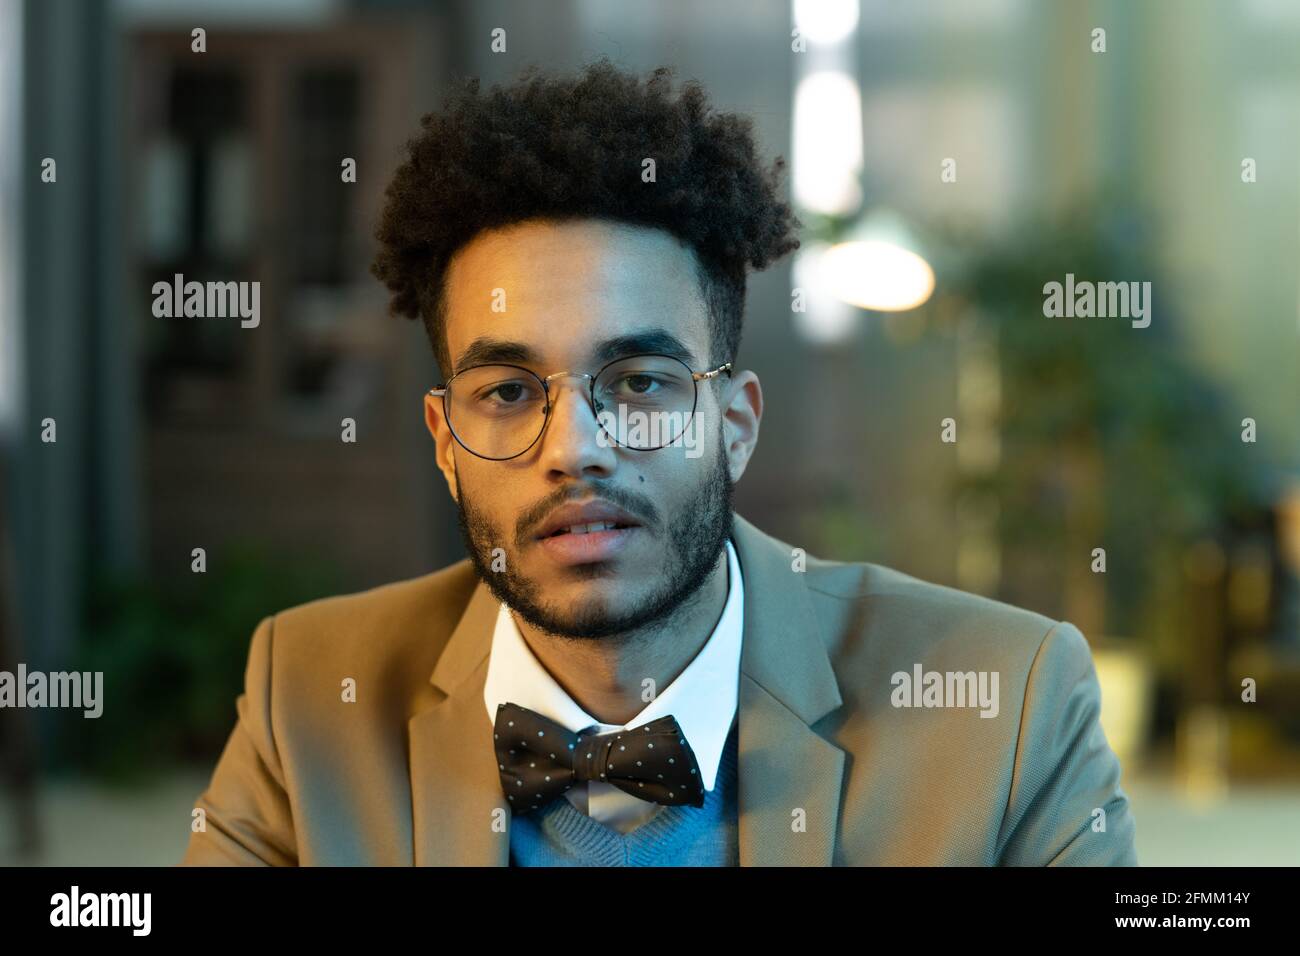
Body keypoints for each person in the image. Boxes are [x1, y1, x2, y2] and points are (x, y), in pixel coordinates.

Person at [181, 59, 1136, 866]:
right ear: (445, 441)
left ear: (734, 421)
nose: (575, 449)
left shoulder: (1007, 702)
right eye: (509, 391)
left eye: (639, 383)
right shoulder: (305, 694)